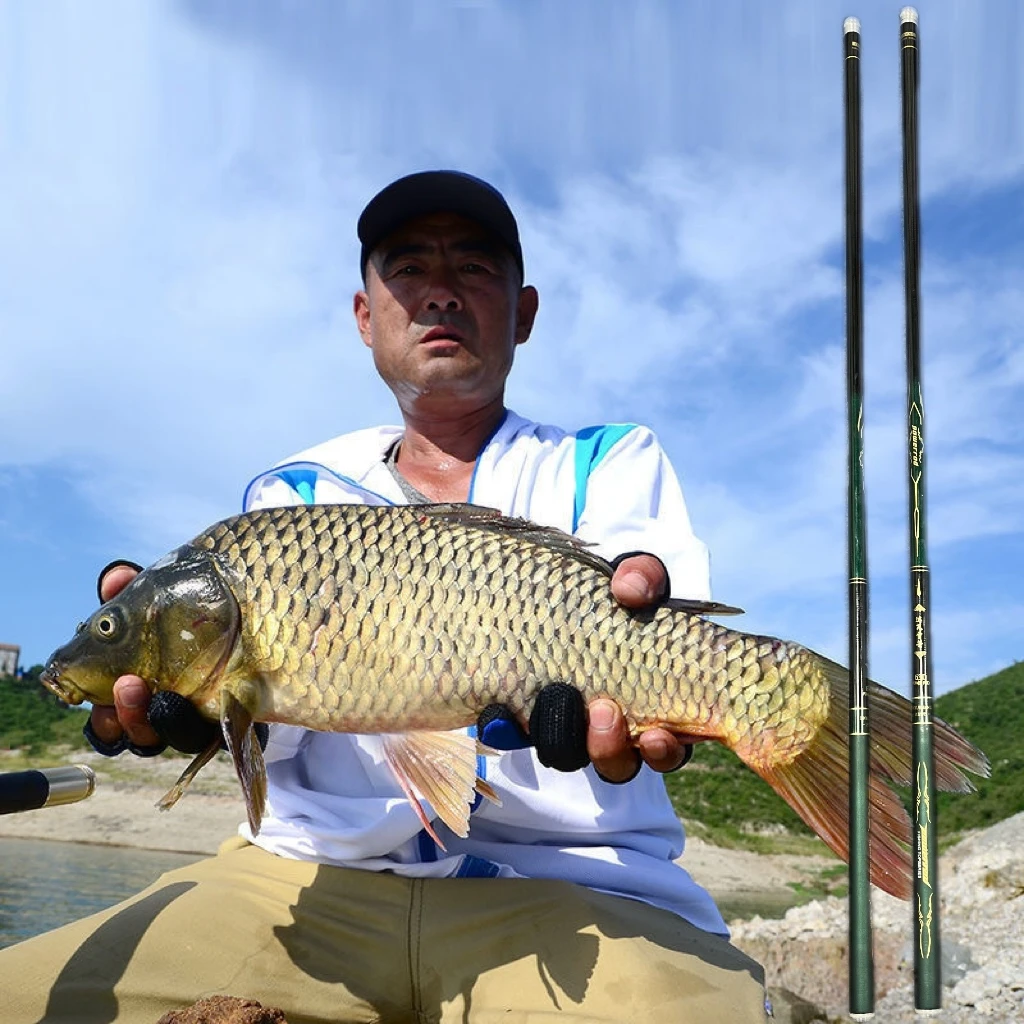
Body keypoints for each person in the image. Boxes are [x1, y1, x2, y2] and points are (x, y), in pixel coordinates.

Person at [2, 171, 767, 1023]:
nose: (439, 289)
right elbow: (280, 734)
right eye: (407, 269)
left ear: (525, 311)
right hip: (304, 884)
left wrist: (657, 702)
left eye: (474, 267)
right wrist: (205, 721)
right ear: (365, 318)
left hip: (575, 891)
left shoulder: (611, 462)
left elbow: (654, 644)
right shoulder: (290, 497)